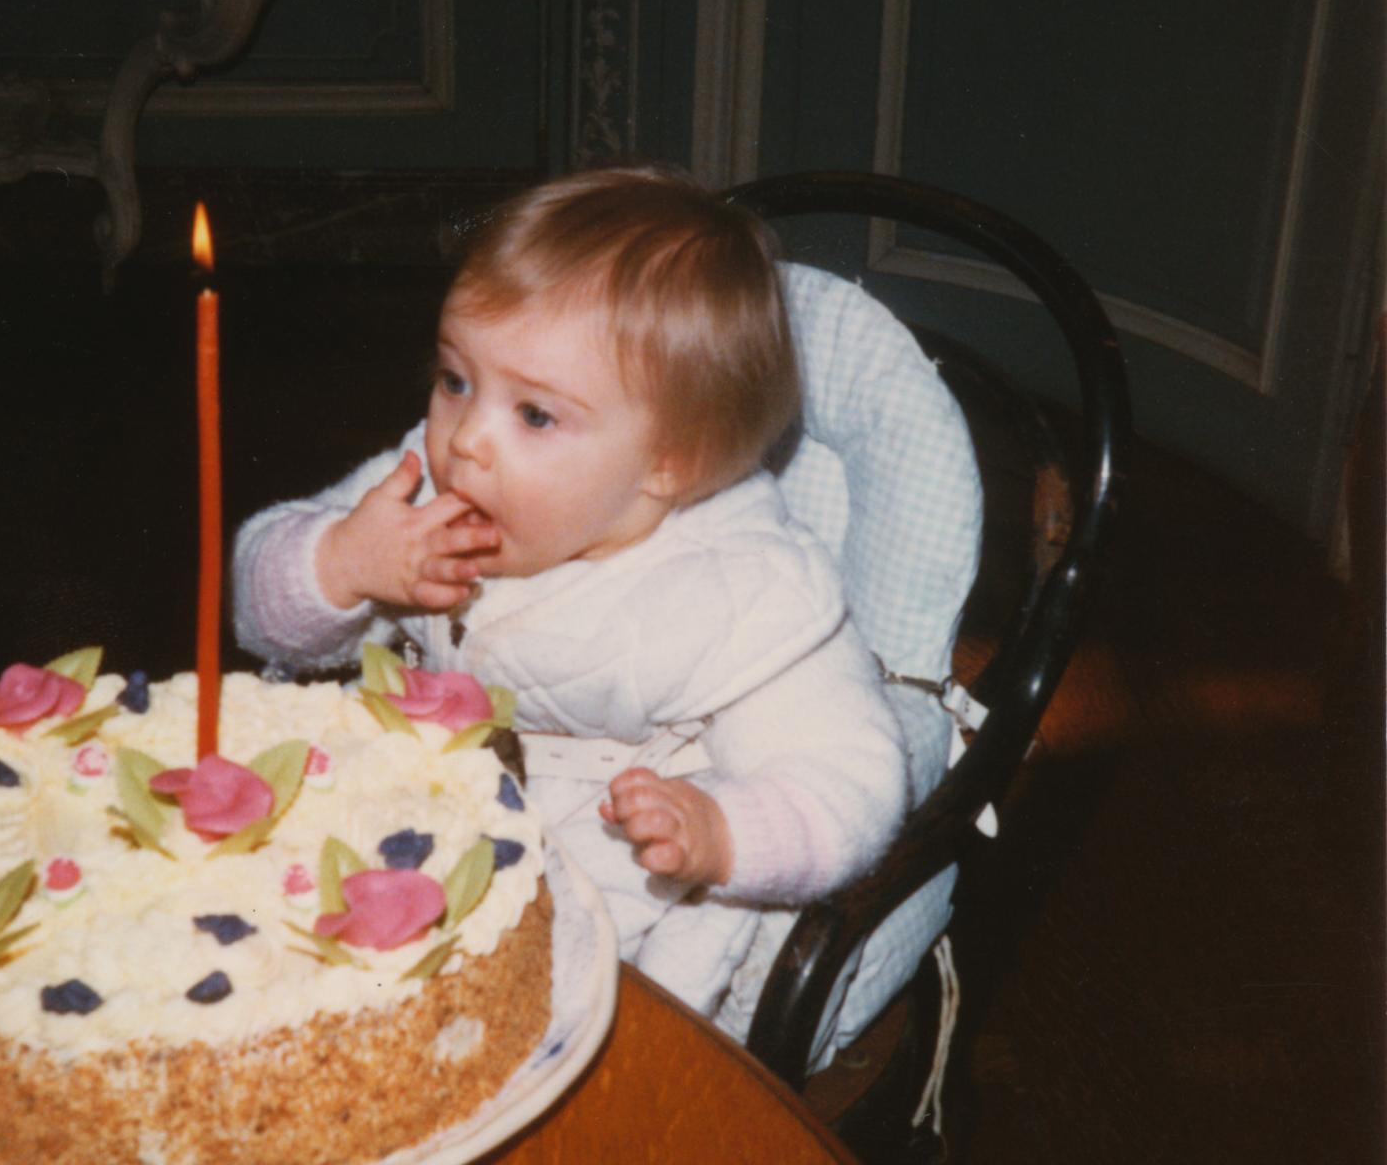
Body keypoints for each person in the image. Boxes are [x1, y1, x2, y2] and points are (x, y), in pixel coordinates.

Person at [233, 164, 906, 1028]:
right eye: (455, 380)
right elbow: (257, 610)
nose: (467, 440)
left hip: (607, 877)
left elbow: (853, 781)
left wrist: (724, 830)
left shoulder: (737, 597)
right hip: (411, 814)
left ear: (670, 463)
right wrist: (339, 561)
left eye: (536, 416)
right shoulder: (424, 489)